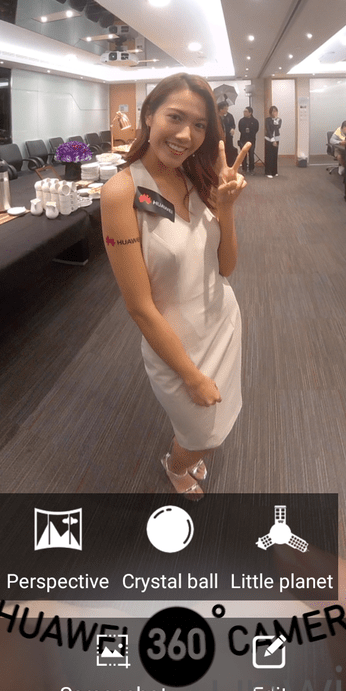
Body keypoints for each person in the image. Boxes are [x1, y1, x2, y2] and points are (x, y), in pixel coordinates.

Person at [100, 74, 250, 499]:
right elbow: (139, 307)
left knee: (215, 421)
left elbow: (226, 267)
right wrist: (191, 376)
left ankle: (184, 453)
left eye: (199, 125)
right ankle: (176, 464)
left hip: (221, 322)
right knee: (203, 433)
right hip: (176, 344)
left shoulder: (196, 178)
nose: (186, 135)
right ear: (149, 115)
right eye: (175, 117)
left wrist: (226, 208)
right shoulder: (121, 192)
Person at [237, 106, 259, 174]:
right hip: (243, 139)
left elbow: (256, 130)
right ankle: (244, 169)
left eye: (246, 111)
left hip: (251, 140)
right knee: (243, 155)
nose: (244, 113)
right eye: (244, 111)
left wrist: (250, 131)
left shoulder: (255, 121)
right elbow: (240, 129)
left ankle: (251, 169)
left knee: (251, 154)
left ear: (250, 113)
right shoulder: (241, 121)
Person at [217, 99, 237, 165]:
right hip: (219, 138)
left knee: (229, 152)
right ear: (220, 109)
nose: (227, 110)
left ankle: (229, 165)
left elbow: (233, 125)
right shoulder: (216, 117)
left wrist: (232, 129)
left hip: (228, 138)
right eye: (225, 109)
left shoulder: (229, 116)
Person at [264, 105, 281, 177]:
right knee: (269, 156)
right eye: (273, 111)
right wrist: (272, 140)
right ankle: (268, 172)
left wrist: (276, 120)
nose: (275, 112)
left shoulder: (279, 120)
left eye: (276, 111)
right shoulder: (267, 120)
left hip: (277, 138)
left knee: (274, 155)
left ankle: (274, 171)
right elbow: (268, 129)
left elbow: (277, 127)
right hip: (269, 139)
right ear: (270, 112)